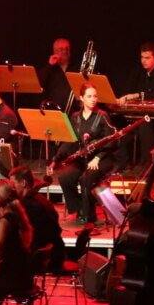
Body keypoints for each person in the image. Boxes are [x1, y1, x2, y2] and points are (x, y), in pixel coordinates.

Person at [49, 82, 116, 224]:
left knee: (86, 179)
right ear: (82, 98)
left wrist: (97, 158)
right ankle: (78, 209)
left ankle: (89, 216)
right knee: (65, 178)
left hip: (101, 158)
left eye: (95, 96)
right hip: (82, 158)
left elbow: (111, 141)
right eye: (89, 96)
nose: (93, 99)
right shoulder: (75, 117)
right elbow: (69, 141)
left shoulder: (102, 116)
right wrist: (55, 160)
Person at [10, 166, 64, 273]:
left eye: (13, 184)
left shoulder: (30, 205)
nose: (11, 188)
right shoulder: (38, 198)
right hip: (55, 252)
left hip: (45, 259)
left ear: (23, 183)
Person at [117, 42, 154, 160]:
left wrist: (137, 95)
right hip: (139, 116)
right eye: (142, 57)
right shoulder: (138, 72)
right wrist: (123, 98)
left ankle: (146, 166)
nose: (143, 61)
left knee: (145, 127)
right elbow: (127, 90)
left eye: (147, 58)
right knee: (121, 129)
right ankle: (123, 165)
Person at [38, 38, 72, 109]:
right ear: (54, 51)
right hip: (52, 109)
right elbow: (39, 83)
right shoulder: (49, 68)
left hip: (72, 110)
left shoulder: (76, 67)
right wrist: (49, 65)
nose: (65, 51)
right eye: (61, 49)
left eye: (67, 48)